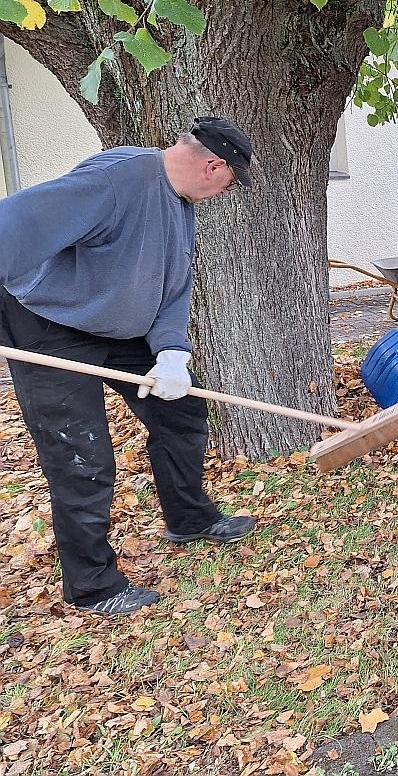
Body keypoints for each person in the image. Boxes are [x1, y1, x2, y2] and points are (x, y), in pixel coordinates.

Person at [0, 117, 258, 616]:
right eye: (231, 182)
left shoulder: (180, 207)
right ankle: (92, 586)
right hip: (49, 323)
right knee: (82, 458)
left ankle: (187, 517)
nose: (227, 192)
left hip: (116, 330)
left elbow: (172, 288)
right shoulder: (120, 178)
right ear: (214, 165)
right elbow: (17, 224)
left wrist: (171, 352)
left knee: (183, 411)